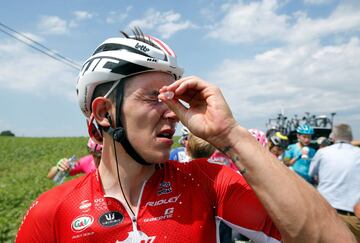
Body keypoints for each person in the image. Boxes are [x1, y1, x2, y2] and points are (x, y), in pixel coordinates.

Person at [16, 28, 355, 242]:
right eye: (153, 97)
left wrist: (230, 134)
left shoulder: (207, 182)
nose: (172, 112)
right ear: (105, 113)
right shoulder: (53, 210)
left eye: (172, 98)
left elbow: (331, 239)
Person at [309, 124, 360, 241]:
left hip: (326, 214)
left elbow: (312, 174)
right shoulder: (358, 154)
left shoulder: (322, 153)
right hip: (353, 217)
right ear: (351, 138)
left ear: (333, 137)